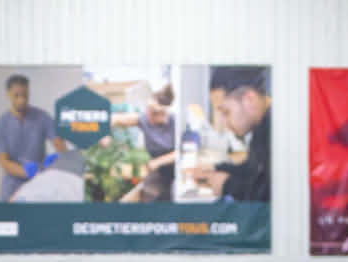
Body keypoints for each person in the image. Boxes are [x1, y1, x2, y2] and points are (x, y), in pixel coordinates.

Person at [185, 66, 270, 202]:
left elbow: (269, 198)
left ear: (249, 100)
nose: (225, 123)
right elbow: (251, 170)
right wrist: (215, 168)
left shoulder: (278, 132)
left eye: (226, 112)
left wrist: (227, 185)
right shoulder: (260, 127)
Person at [0, 73, 65, 202]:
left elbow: (60, 146)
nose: (22, 100)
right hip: (11, 187)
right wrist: (28, 172)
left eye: (25, 95)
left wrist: (55, 163)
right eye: (16, 96)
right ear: (8, 94)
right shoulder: (0, 124)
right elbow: (4, 162)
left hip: (39, 184)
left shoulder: (42, 117)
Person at [111, 86, 177, 203]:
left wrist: (158, 162)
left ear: (163, 114)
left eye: (153, 113)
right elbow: (118, 119)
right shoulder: (145, 120)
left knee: (174, 196)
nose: (148, 116)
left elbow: (182, 152)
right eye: (148, 111)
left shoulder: (175, 123)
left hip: (176, 167)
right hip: (157, 171)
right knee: (149, 195)